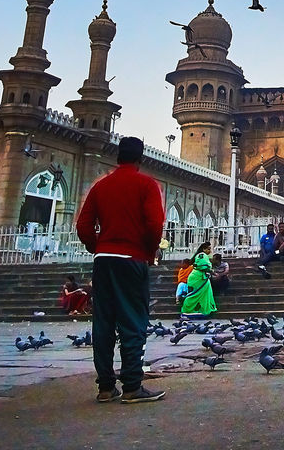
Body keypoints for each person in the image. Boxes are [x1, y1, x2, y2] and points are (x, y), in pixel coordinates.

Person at [75, 135, 166, 404]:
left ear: (117, 157)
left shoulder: (100, 187)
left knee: (103, 321)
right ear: (140, 158)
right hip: (132, 259)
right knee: (133, 320)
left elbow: (83, 226)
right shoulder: (147, 185)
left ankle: (105, 387)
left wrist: (99, 247)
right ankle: (132, 386)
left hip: (104, 261)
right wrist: (148, 252)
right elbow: (154, 225)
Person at [180, 244, 217, 319]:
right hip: (197, 278)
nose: (210, 251)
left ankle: (201, 311)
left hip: (200, 277)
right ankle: (187, 310)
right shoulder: (202, 255)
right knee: (194, 295)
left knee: (202, 295)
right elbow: (203, 266)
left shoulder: (202, 256)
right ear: (203, 249)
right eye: (208, 249)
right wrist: (212, 271)